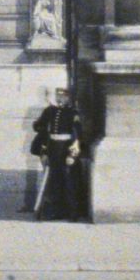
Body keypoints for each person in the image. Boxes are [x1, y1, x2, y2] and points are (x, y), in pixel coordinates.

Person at [29, 86, 85, 221]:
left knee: (69, 181)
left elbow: (77, 135)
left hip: (66, 149)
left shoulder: (73, 113)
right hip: (53, 149)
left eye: (63, 96)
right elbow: (39, 128)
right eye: (58, 96)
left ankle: (73, 213)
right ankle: (55, 212)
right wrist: (44, 151)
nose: (60, 98)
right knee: (54, 181)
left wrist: (72, 155)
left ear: (68, 98)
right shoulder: (49, 111)